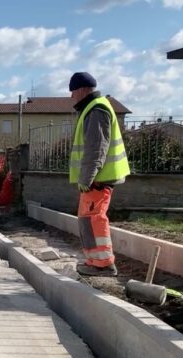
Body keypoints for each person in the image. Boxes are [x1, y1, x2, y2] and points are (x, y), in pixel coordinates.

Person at [68, 72, 130, 276]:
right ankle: (95, 262)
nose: (71, 97)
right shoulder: (92, 108)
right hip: (96, 179)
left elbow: (96, 148)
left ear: (82, 90)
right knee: (87, 220)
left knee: (94, 219)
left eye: (73, 92)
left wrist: (87, 178)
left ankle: (103, 265)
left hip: (98, 179)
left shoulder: (97, 109)